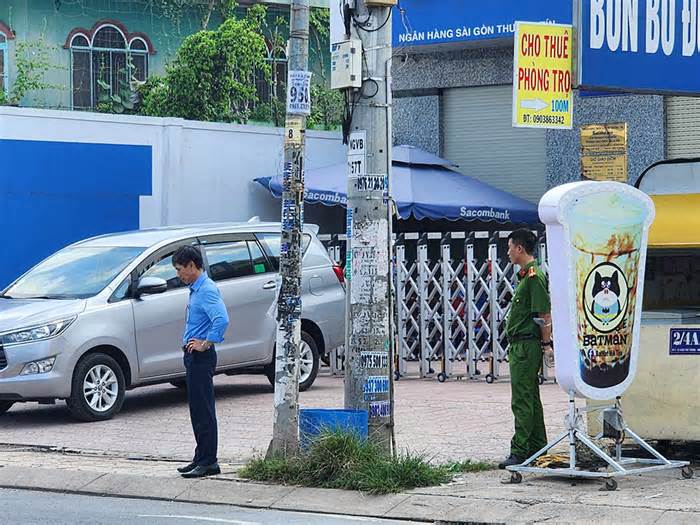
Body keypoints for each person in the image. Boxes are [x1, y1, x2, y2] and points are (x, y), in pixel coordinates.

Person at [172, 245, 229, 478]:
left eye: (179, 269)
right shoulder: (196, 289)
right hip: (192, 356)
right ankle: (200, 456)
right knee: (197, 410)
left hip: (201, 357)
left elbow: (222, 319)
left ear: (192, 266)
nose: (178, 275)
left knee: (204, 410)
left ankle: (209, 461)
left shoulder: (206, 290)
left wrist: (206, 343)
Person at [499, 229, 553, 469]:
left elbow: (544, 313)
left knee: (521, 399)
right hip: (520, 345)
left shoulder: (534, 277)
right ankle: (538, 447)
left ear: (519, 248)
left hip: (525, 346)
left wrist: (546, 344)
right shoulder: (526, 276)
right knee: (530, 398)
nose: (508, 251)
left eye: (510, 247)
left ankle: (520, 451)